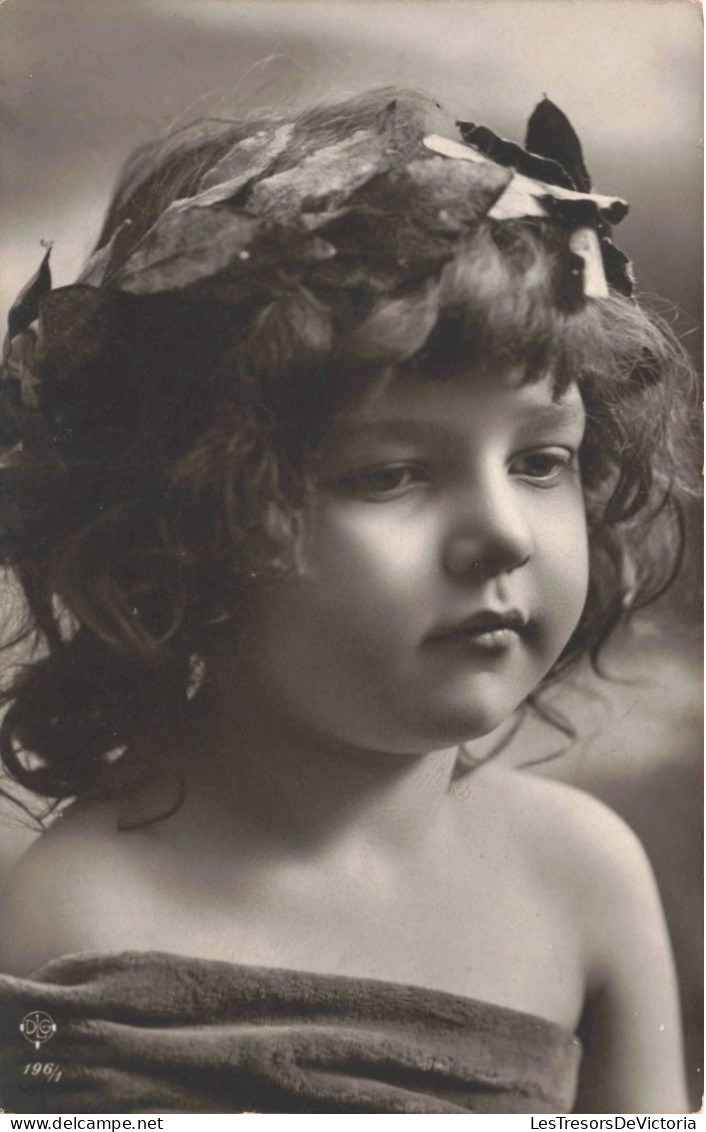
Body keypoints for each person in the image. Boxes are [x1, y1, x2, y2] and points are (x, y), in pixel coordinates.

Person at [0, 88, 696, 1115]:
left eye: (541, 459)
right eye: (391, 475)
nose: (502, 532)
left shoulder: (581, 873)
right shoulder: (75, 923)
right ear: (189, 529)